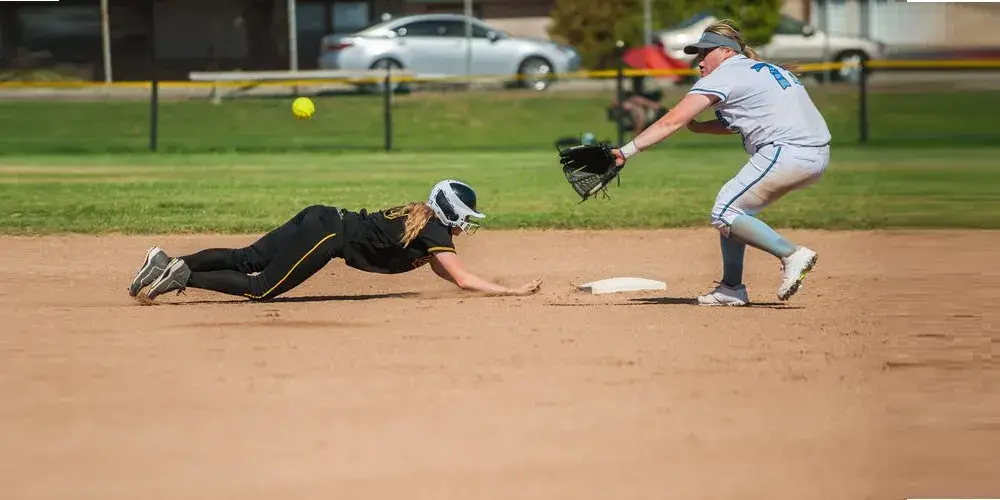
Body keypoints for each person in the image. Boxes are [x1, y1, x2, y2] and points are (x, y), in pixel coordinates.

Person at [610, 20, 831, 306]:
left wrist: (626, 151)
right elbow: (743, 121)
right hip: (814, 155)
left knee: (725, 211)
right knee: (735, 211)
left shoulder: (724, 74)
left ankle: (791, 254)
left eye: (706, 52)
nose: (699, 61)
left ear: (727, 52)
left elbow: (672, 121)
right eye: (697, 54)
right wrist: (701, 128)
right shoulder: (760, 69)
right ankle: (731, 288)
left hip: (786, 152)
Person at [127, 180, 544, 303]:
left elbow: (443, 270)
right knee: (260, 287)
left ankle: (164, 259)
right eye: (465, 218)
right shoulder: (433, 229)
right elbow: (463, 279)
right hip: (327, 235)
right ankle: (182, 274)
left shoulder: (424, 220)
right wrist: (511, 289)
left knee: (244, 257)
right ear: (450, 211)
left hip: (322, 217)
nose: (465, 226)